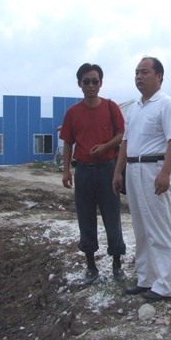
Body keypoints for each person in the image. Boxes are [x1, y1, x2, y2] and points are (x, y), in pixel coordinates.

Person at [112, 56, 171, 301]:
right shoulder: (135, 107)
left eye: (145, 72)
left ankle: (165, 285)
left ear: (159, 76)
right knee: (141, 228)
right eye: (136, 72)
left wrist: (165, 172)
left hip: (154, 168)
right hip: (133, 169)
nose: (139, 77)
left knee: (159, 228)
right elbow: (125, 142)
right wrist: (118, 171)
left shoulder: (167, 104)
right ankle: (146, 279)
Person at [59, 63, 127, 286]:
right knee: (85, 218)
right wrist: (66, 170)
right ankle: (90, 266)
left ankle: (117, 264)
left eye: (94, 81)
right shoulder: (73, 113)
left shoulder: (111, 108)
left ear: (101, 83)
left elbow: (122, 135)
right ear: (79, 84)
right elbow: (67, 142)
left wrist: (105, 147)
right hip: (84, 172)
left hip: (108, 169)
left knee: (112, 218)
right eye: (86, 81)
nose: (91, 86)